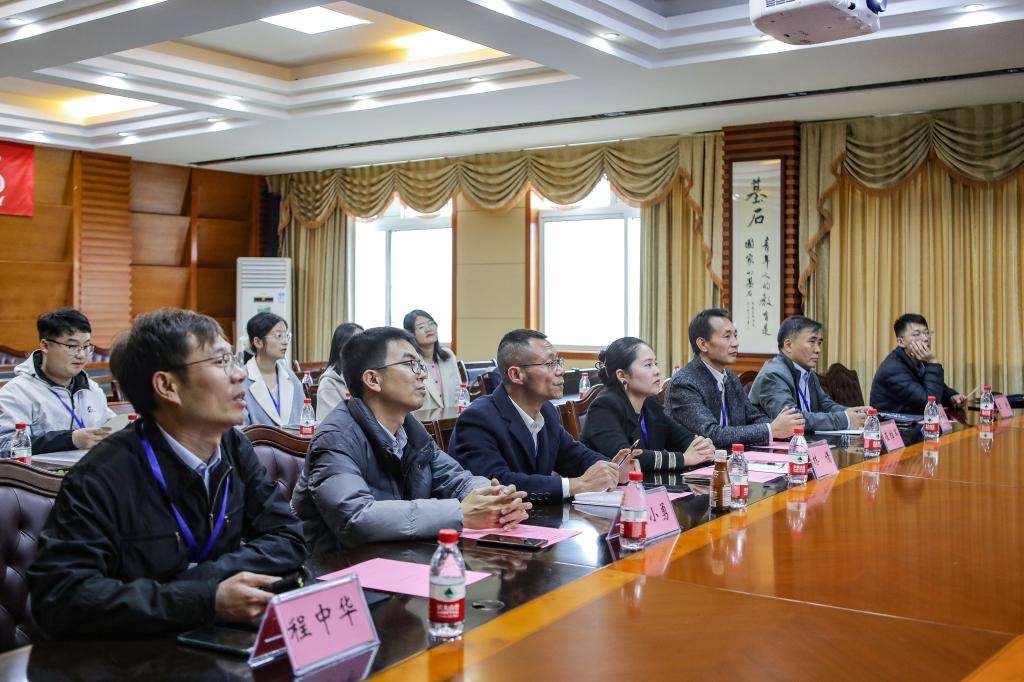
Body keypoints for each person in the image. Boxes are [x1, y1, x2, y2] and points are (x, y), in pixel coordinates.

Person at [28, 309, 307, 638]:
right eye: (221, 362)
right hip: (136, 653)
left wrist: (198, 583)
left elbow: (288, 538)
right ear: (167, 385)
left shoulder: (233, 446)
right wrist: (203, 599)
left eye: (233, 359)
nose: (239, 374)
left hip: (218, 639)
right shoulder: (100, 475)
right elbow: (62, 597)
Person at [291, 327, 530, 553]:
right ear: (373, 379)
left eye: (420, 364)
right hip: (336, 568)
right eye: (410, 364)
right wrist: (459, 513)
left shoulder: (410, 430)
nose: (423, 375)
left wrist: (495, 497)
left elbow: (456, 479)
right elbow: (356, 517)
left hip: (398, 556)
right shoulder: (336, 438)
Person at [447, 329, 637, 502]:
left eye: (559, 362)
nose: (561, 371)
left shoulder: (547, 411)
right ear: (516, 375)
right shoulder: (478, 419)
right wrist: (576, 485)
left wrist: (611, 468)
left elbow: (574, 456)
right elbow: (496, 483)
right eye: (550, 363)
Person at [665, 309, 805, 449]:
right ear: (703, 344)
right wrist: (771, 430)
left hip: (734, 457)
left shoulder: (731, 377)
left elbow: (753, 417)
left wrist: (785, 426)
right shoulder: (684, 383)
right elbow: (711, 434)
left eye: (735, 335)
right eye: (727, 336)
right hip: (700, 461)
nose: (735, 343)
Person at [581, 337, 715, 471]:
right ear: (622, 375)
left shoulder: (650, 403)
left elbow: (681, 438)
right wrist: (684, 459)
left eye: (655, 363)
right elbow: (627, 458)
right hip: (609, 484)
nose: (657, 371)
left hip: (647, 482)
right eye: (648, 365)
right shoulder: (604, 407)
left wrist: (702, 447)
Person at [0, 308, 114, 454]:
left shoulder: (92, 389)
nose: (81, 355)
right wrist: (69, 440)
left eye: (86, 346)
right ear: (45, 346)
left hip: (90, 466)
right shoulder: (17, 393)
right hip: (40, 469)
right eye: (72, 346)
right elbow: (4, 445)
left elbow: (111, 427)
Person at [749, 315, 870, 432]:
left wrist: (854, 413)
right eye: (812, 342)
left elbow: (825, 405)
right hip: (774, 444)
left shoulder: (807, 372)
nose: (818, 350)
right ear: (788, 345)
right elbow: (793, 420)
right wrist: (845, 419)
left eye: (819, 343)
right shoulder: (773, 375)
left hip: (803, 440)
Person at [870, 313, 965, 414]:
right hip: (893, 422)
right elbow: (929, 404)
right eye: (917, 334)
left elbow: (934, 388)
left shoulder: (917, 359)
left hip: (914, 419)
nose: (925, 338)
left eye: (927, 333)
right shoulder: (893, 369)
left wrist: (951, 397)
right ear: (901, 342)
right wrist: (932, 362)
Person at [242, 313, 305, 426]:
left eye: (286, 335)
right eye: (278, 336)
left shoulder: (291, 378)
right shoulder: (241, 380)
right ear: (258, 342)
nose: (285, 342)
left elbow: (305, 420)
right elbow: (239, 430)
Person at [403, 309, 461, 411]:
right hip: (423, 420)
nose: (428, 329)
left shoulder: (449, 356)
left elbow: (459, 390)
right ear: (411, 334)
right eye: (421, 327)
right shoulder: (409, 363)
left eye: (431, 323)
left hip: (452, 418)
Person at [316, 322, 364, 420]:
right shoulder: (329, 383)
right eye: (357, 343)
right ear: (341, 348)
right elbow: (332, 422)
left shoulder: (367, 376)